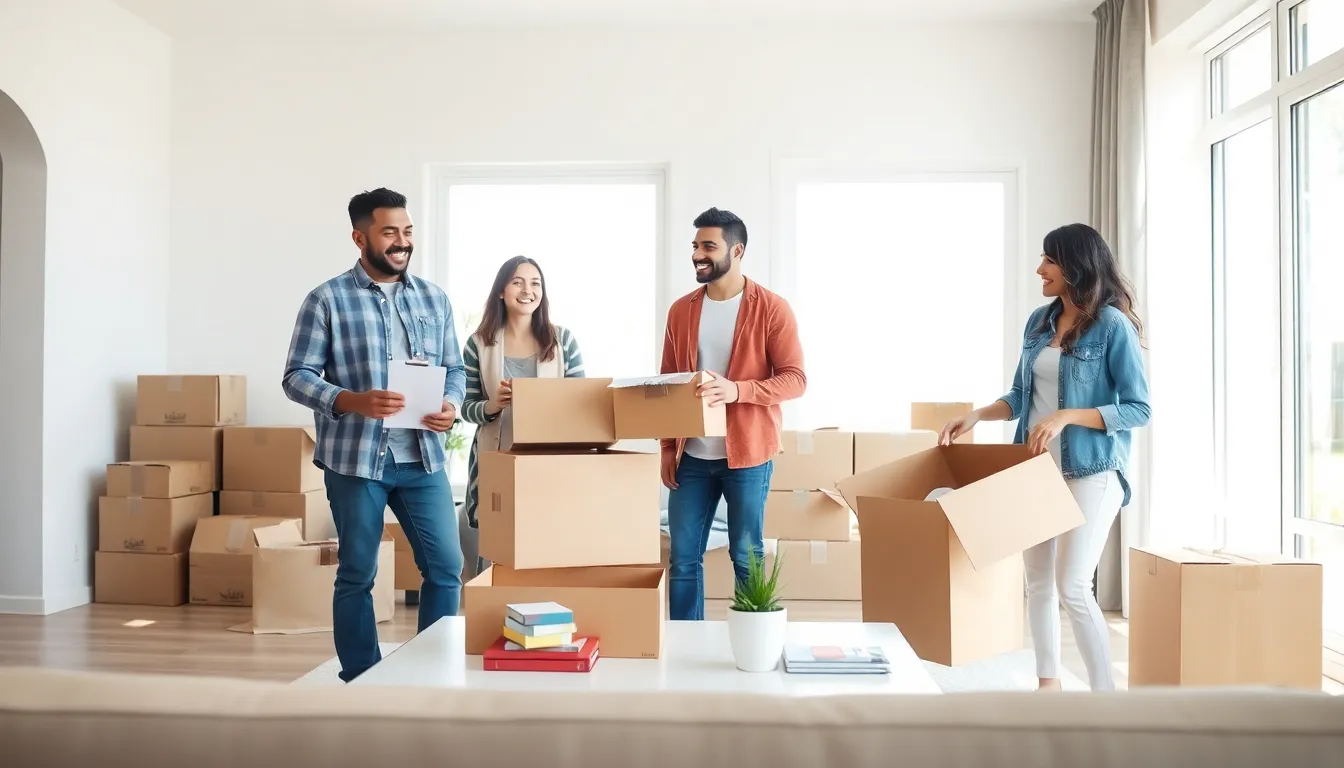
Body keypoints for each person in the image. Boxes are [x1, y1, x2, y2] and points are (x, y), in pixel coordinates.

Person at [939, 223, 1150, 692]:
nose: (1040, 268)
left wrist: (1068, 417)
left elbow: (1139, 409)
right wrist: (977, 415)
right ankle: (1048, 685)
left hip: (1092, 471)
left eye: (1049, 260)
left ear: (1077, 265)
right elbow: (1020, 394)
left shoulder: (1112, 326)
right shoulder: (1039, 321)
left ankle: (1104, 699)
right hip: (1035, 473)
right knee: (1036, 584)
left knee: (1072, 586)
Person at [282, 187, 466, 683]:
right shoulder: (326, 299)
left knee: (447, 568)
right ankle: (362, 677)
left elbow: (455, 368)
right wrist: (351, 400)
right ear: (360, 237)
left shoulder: (434, 298)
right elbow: (296, 376)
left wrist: (450, 405)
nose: (402, 241)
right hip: (357, 462)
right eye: (390, 232)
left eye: (407, 231)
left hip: (422, 457)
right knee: (358, 574)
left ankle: (432, 670)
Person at [662, 207, 807, 621]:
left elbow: (795, 379)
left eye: (709, 246)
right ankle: (687, 644)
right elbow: (667, 384)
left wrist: (737, 390)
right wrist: (666, 449)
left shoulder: (772, 308)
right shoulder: (681, 311)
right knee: (683, 559)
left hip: (747, 455)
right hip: (691, 456)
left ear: (737, 250)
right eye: (695, 246)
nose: (697, 255)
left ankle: (753, 640)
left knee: (747, 555)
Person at [459, 256, 586, 578]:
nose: (527, 290)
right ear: (501, 290)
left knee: (544, 545)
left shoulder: (562, 341)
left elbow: (582, 402)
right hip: (496, 460)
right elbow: (465, 406)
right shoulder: (478, 344)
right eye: (518, 282)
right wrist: (492, 406)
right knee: (496, 547)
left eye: (535, 283)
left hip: (547, 462)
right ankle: (492, 616)